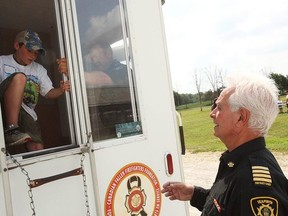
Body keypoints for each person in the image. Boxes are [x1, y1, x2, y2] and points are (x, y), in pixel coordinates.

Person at [161, 73, 288, 215]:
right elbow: (227, 206)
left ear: (241, 118)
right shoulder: (238, 161)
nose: (212, 113)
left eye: (219, 107)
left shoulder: (254, 186)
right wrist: (194, 194)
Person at [0, 29, 70, 152]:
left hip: (26, 113)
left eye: (36, 53)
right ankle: (12, 129)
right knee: (20, 77)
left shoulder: (39, 69)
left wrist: (61, 89)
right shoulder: (2, 62)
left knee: (37, 148)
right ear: (17, 45)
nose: (33, 56)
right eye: (29, 50)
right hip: (3, 107)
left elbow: (48, 93)